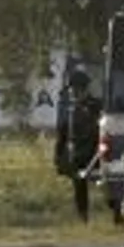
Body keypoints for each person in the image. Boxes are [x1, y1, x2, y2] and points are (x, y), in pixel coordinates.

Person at [53, 67, 108, 223]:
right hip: (78, 155)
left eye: (75, 89)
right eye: (71, 90)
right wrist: (58, 156)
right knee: (79, 186)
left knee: (108, 185)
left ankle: (117, 212)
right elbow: (62, 135)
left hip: (96, 154)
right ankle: (83, 216)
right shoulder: (69, 109)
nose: (72, 93)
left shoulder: (97, 107)